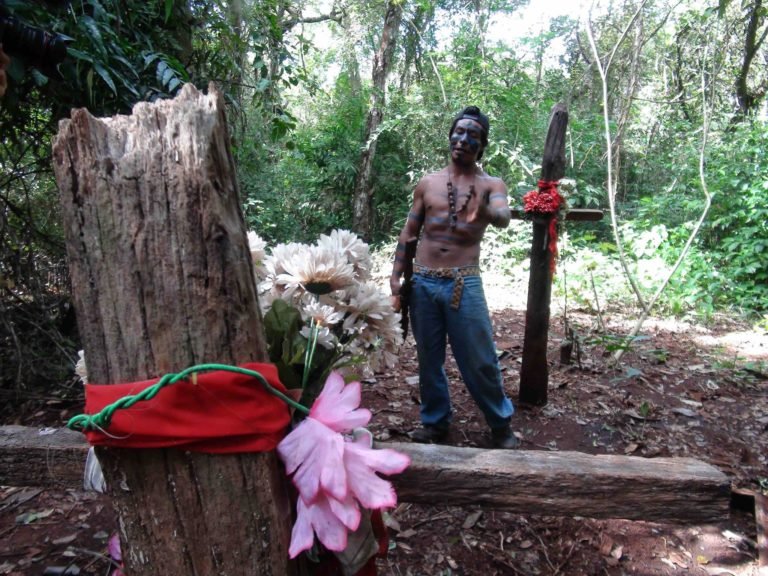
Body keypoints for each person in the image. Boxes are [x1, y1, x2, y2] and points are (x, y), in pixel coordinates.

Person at [390, 105, 519, 449]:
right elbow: (409, 234)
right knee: (428, 358)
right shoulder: (428, 184)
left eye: (472, 136)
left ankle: (500, 424)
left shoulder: (491, 185)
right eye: (459, 133)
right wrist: (395, 282)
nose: (463, 140)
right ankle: (435, 422)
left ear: (482, 144)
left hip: (464, 283)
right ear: (450, 137)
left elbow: (504, 215)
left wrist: (487, 209)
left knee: (479, 359)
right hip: (423, 284)